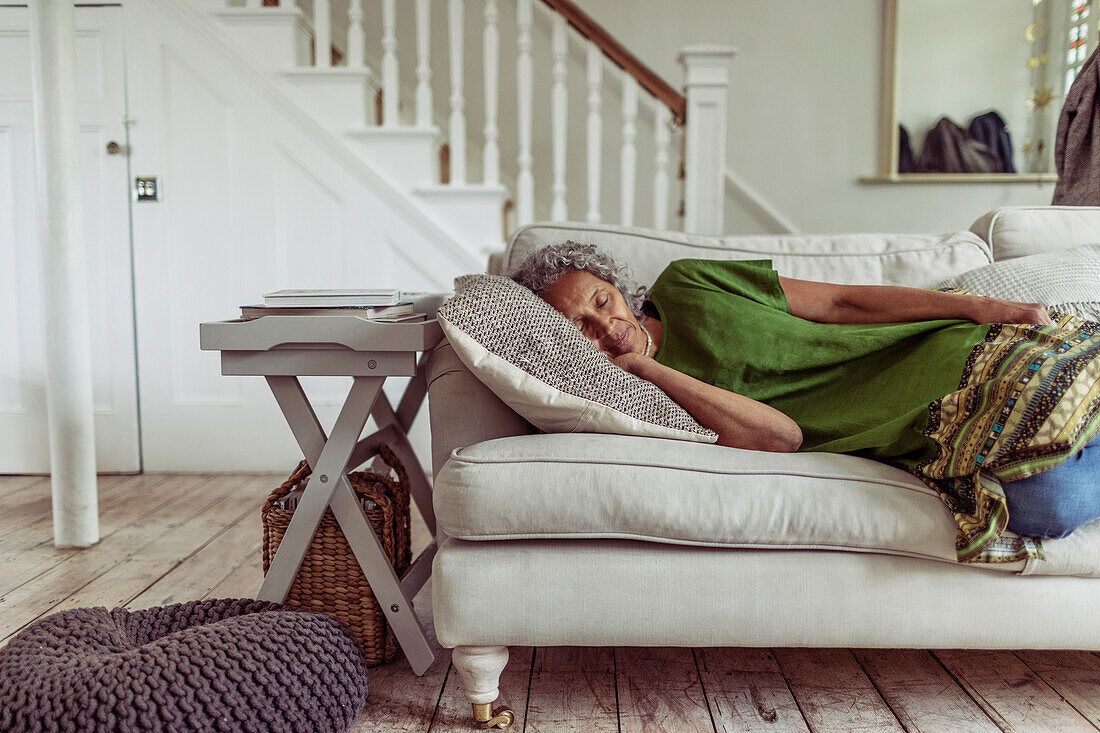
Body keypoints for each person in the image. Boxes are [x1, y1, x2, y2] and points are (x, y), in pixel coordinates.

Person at [509, 241, 1100, 562]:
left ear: (617, 284)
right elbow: (780, 437)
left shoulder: (687, 281)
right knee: (1046, 502)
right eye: (581, 328)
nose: (606, 325)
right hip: (919, 425)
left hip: (949, 354)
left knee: (1066, 390)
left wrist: (980, 307)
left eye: (603, 300)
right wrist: (641, 366)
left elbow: (842, 303)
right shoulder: (636, 401)